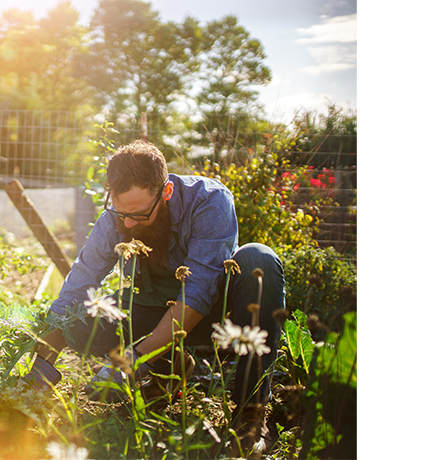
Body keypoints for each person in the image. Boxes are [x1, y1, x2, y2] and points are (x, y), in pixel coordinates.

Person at [23, 139, 286, 454]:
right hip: (150, 311)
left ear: (167, 192)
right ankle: (170, 368)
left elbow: (199, 292)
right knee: (78, 324)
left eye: (139, 215)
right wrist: (42, 363)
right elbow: (80, 281)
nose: (129, 223)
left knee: (260, 260)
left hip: (213, 318)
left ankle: (250, 414)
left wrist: (133, 361)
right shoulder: (117, 216)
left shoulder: (209, 201)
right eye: (121, 213)